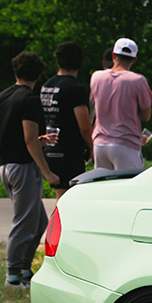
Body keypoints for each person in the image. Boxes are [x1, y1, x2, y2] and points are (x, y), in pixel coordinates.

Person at [0, 51, 58, 289]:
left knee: (39, 222)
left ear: (15, 71)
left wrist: (36, 141)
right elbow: (30, 139)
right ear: (38, 74)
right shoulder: (30, 99)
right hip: (23, 167)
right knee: (23, 222)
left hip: (5, 165)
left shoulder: (3, 96)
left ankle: (24, 269)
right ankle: (12, 276)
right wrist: (48, 173)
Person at [89, 37, 152, 172]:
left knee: (103, 188)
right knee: (128, 188)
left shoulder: (96, 77)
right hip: (125, 144)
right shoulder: (138, 81)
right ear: (134, 59)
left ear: (113, 55)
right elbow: (146, 116)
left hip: (100, 143)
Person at [39, 41, 94, 200]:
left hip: (49, 148)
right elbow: (84, 126)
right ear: (80, 62)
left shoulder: (46, 86)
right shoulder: (75, 89)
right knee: (68, 200)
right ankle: (57, 225)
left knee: (60, 196)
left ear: (57, 61)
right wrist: (91, 147)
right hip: (69, 152)